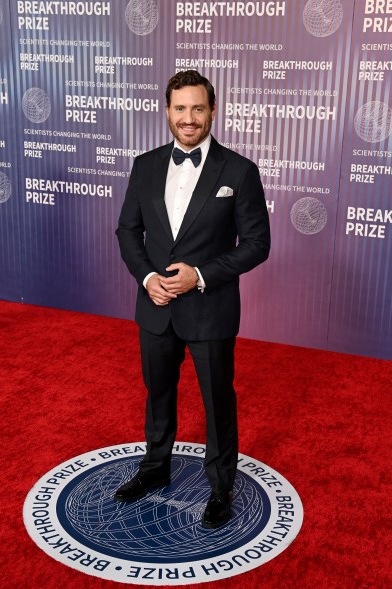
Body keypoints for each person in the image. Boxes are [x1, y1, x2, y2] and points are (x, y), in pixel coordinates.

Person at [115, 70, 270, 528]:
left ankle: (221, 487)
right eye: (180, 108)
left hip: (210, 310)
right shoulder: (144, 165)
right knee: (158, 393)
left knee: (217, 401)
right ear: (167, 111)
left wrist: (200, 275)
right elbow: (128, 230)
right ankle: (154, 468)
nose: (188, 118)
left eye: (197, 109)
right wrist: (147, 278)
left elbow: (257, 244)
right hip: (156, 307)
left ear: (212, 112)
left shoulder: (239, 170)